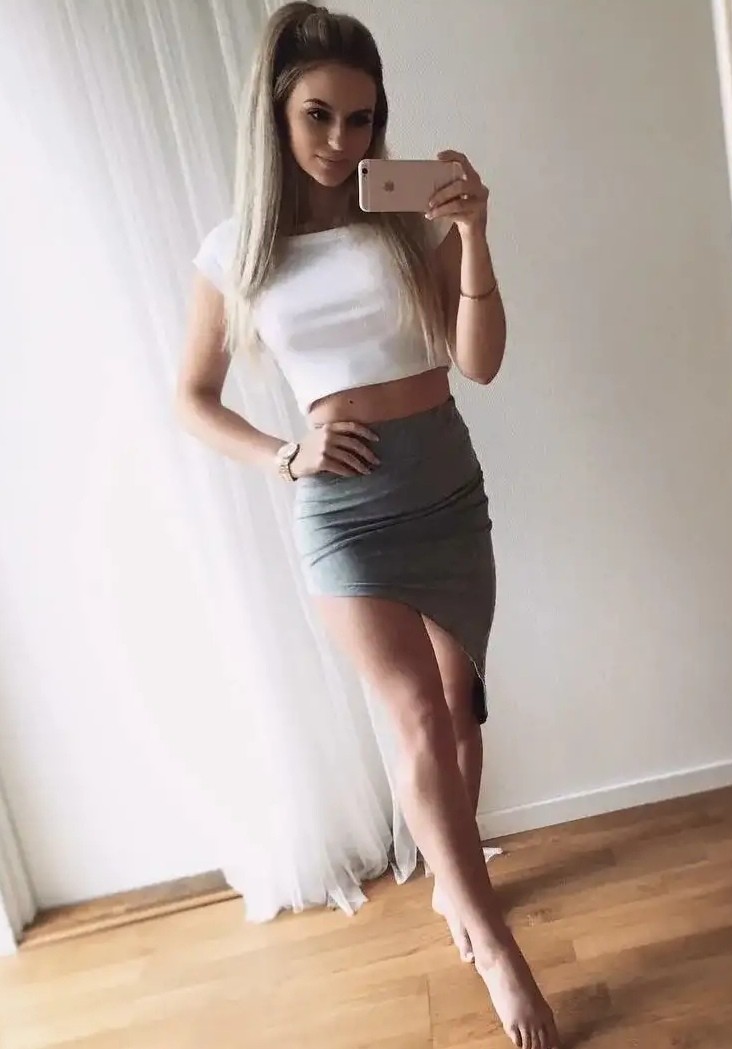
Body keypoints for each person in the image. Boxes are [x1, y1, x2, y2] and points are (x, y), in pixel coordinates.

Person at [175, 4, 560, 1047]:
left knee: (462, 711)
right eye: (319, 115)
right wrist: (284, 453)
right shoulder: (234, 251)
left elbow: (478, 361)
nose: (343, 140)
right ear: (275, 112)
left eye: (362, 117)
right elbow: (193, 397)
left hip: (446, 485)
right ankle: (496, 946)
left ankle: (453, 883)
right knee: (417, 717)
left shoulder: (407, 217)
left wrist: (473, 234)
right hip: (343, 510)